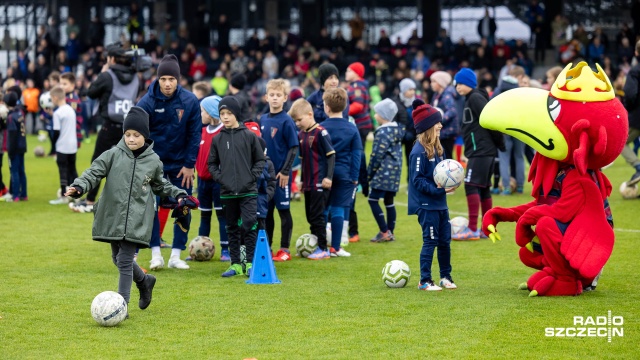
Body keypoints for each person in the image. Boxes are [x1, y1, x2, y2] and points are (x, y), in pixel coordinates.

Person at [65, 107, 188, 314]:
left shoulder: (153, 161)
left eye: (136, 135)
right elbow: (93, 173)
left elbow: (161, 185)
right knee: (116, 259)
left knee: (124, 260)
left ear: (145, 136)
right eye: (128, 134)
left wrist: (179, 194)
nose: (131, 139)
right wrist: (79, 187)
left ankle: (121, 307)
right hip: (113, 215)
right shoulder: (112, 154)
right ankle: (144, 281)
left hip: (137, 218)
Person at [137, 54, 202, 270]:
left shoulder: (190, 101)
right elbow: (138, 136)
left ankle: (176, 255)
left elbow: (194, 135)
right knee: (151, 209)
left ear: (178, 79)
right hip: (153, 165)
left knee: (183, 207)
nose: (167, 83)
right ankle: (156, 254)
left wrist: (189, 164)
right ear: (157, 79)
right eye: (163, 79)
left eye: (171, 79)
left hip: (181, 165)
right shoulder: (146, 102)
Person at [69, 44, 140, 213]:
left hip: (110, 125)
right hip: (128, 126)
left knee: (98, 163)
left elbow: (91, 92)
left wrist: (102, 73)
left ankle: (90, 201)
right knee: (128, 165)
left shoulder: (107, 76)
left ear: (111, 59)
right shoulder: (135, 76)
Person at [208, 96, 265, 277]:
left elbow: (260, 160)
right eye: (222, 113)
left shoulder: (248, 136)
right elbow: (211, 164)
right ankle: (235, 264)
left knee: (249, 224)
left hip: (248, 191)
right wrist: (221, 179)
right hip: (227, 192)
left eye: (229, 113)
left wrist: (251, 177)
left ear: (236, 115)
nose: (225, 117)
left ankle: (249, 263)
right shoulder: (217, 139)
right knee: (231, 227)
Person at [408, 99, 457, 291]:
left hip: (440, 204)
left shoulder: (438, 148)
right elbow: (417, 180)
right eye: (437, 123)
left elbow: (441, 173)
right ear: (428, 126)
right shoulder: (418, 152)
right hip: (426, 205)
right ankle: (425, 280)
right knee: (430, 241)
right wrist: (438, 189)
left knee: (445, 241)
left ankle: (446, 276)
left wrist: (451, 182)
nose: (440, 125)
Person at [453, 68, 504, 240]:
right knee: (483, 188)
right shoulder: (470, 98)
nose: (457, 87)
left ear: (469, 83)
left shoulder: (475, 98)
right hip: (480, 151)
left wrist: (499, 143)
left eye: (460, 83)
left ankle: (473, 229)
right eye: (456, 84)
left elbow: (490, 118)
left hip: (481, 151)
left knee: (471, 185)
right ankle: (486, 229)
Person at [289, 98, 336, 260]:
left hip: (319, 181)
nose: (297, 123)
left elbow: (331, 156)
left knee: (317, 216)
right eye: (295, 121)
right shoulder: (301, 135)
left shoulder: (321, 132)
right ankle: (315, 244)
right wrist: (301, 180)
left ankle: (323, 248)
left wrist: (328, 177)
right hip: (308, 183)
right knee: (310, 216)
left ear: (310, 115)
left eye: (299, 120)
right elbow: (302, 160)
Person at [260, 79, 299, 261]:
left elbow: (293, 147)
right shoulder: (263, 119)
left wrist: (285, 171)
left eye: (278, 95)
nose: (275, 98)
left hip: (281, 176)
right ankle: (267, 247)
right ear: (266, 97)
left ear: (285, 98)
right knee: (266, 211)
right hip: (265, 175)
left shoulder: (287, 121)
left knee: (283, 211)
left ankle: (285, 249)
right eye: (272, 95)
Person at [321, 88, 362, 257]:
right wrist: (354, 177)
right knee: (338, 209)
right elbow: (357, 154)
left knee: (323, 210)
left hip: (325, 175)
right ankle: (335, 248)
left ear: (327, 107)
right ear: (345, 106)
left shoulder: (321, 127)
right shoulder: (352, 128)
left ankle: (321, 247)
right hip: (345, 174)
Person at [195, 95, 229, 261]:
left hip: (218, 183)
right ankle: (199, 249)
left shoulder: (223, 132)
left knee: (222, 216)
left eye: (202, 110)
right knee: (204, 216)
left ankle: (226, 250)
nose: (200, 114)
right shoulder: (201, 132)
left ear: (210, 113)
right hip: (202, 183)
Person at [366, 98, 402, 242]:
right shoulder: (397, 130)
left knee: (373, 199)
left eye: (377, 113)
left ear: (384, 115)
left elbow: (376, 155)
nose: (375, 116)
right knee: (389, 201)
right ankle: (390, 232)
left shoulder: (382, 132)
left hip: (383, 172)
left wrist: (369, 174)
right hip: (395, 172)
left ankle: (384, 231)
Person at [48, 86, 78, 205]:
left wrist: (53, 145)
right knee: (72, 169)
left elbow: (56, 131)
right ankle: (78, 194)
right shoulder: (70, 110)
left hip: (62, 145)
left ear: (55, 97)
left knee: (63, 170)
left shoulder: (58, 113)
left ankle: (63, 196)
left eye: (51, 98)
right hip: (73, 145)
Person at [622, 40, 640, 186]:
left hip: (637, 117)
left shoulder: (634, 71)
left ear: (636, 53)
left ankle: (638, 167)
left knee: (621, 143)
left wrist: (629, 107)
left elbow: (630, 93)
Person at [429, 71, 459, 159]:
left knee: (446, 157)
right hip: (441, 132)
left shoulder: (447, 95)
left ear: (441, 83)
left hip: (448, 133)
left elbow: (452, 111)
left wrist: (438, 120)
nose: (431, 84)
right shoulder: (436, 95)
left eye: (434, 82)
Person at [4, 92, 27, 201]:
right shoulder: (19, 113)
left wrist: (10, 151)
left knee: (14, 171)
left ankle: (15, 195)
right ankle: (24, 194)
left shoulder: (10, 117)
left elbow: (12, 134)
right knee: (22, 170)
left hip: (15, 148)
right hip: (22, 146)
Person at [393, 78, 417, 181]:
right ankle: (391, 183)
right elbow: (393, 120)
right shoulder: (395, 102)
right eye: (409, 89)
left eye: (413, 89)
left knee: (412, 161)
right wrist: (403, 132)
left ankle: (411, 183)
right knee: (394, 161)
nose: (412, 92)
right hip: (398, 136)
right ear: (403, 90)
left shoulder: (417, 103)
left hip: (413, 137)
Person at [346, 62, 372, 146]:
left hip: (360, 124)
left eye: (349, 71)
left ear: (356, 73)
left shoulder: (357, 87)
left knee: (357, 151)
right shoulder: (356, 86)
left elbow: (358, 106)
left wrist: (342, 111)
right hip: (361, 124)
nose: (346, 73)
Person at [257, 137, 276, 231]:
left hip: (260, 204)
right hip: (246, 204)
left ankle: (264, 246)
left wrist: (264, 197)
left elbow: (271, 184)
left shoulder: (268, 164)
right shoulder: (245, 163)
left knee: (261, 229)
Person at [60, 72, 83, 148]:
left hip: (72, 132)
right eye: (61, 84)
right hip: (66, 131)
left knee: (67, 157)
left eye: (65, 84)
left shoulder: (72, 99)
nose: (61, 86)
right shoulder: (65, 97)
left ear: (72, 85)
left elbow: (70, 116)